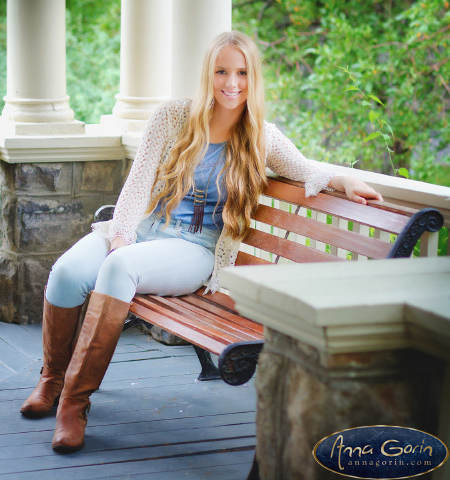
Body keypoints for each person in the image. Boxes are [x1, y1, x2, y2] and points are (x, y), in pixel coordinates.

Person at [19, 30, 383, 453]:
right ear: (207, 75)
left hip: (193, 250)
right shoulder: (173, 117)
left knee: (120, 269)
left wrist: (343, 179)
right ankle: (51, 379)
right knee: (67, 271)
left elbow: (304, 170)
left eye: (242, 72)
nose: (232, 83)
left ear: (253, 78)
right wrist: (120, 235)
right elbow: (137, 186)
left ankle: (73, 405)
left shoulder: (260, 135)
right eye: (222, 71)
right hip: (140, 231)